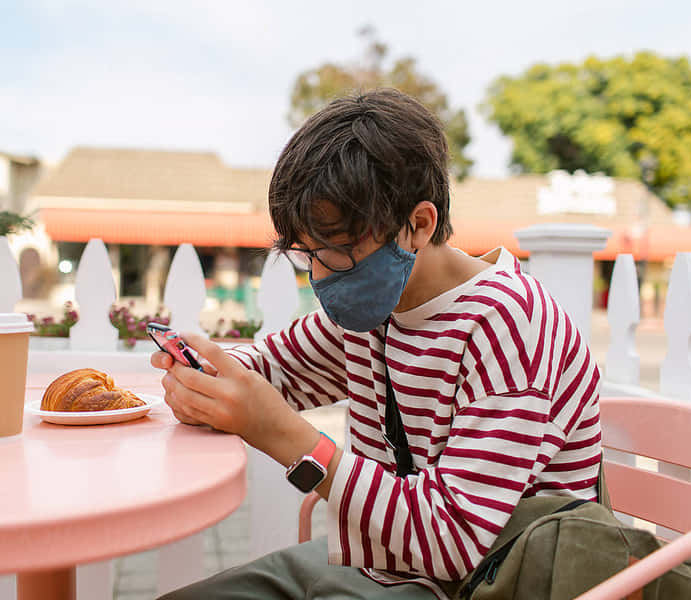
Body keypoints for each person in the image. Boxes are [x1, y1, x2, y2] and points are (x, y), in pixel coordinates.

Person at [151, 88, 602, 599]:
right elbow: (271, 368)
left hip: (479, 583)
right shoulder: (376, 307)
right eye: (307, 252)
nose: (320, 274)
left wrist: (287, 438)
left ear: (419, 224)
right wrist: (205, 373)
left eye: (339, 250)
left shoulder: (508, 325)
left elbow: (451, 541)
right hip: (380, 566)